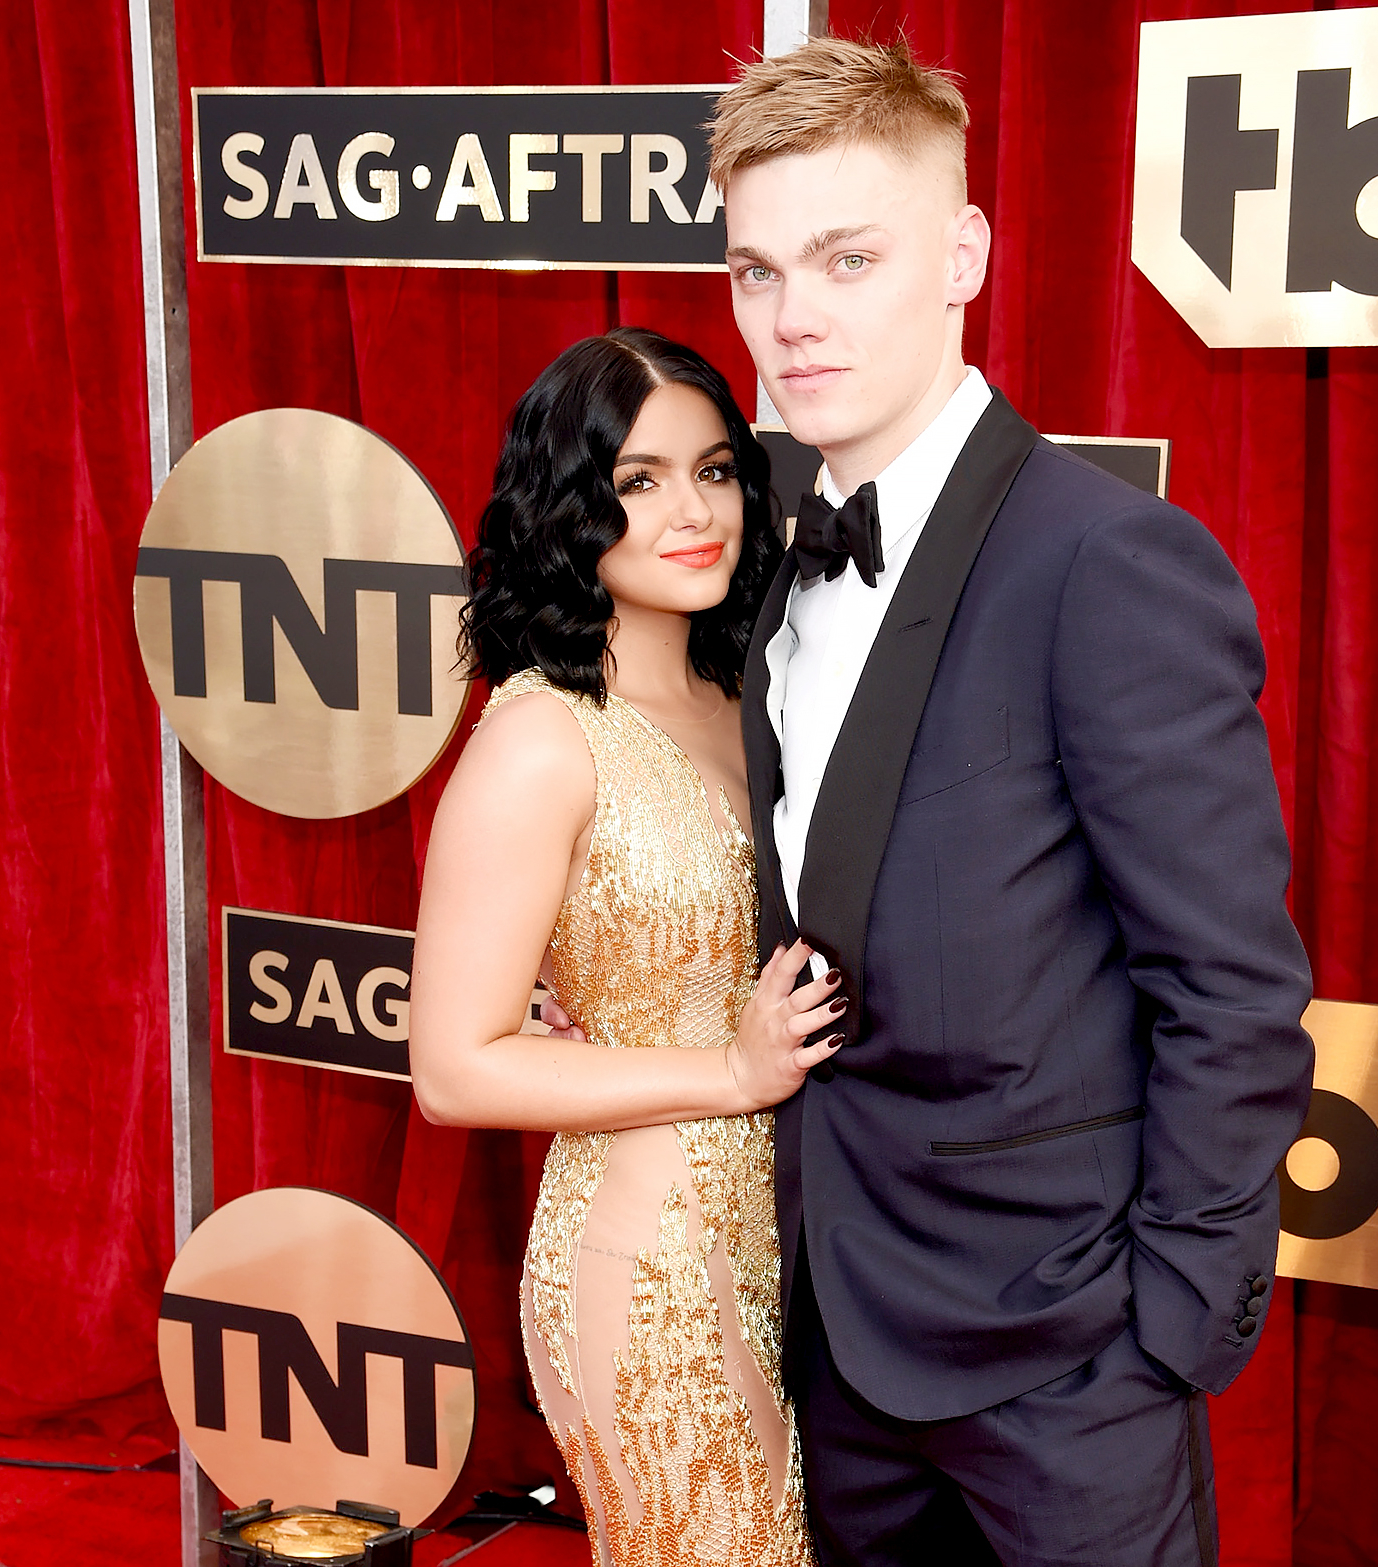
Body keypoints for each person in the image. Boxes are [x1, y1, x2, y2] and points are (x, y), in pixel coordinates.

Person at [701, 36, 1318, 1567]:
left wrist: (1166, 1330)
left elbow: (1230, 989)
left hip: (1069, 1360)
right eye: (758, 270)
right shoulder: (778, 557)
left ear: (964, 255)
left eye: (849, 257)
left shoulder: (1105, 561)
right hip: (841, 1337)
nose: (794, 317)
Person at [408, 327, 842, 1567]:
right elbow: (453, 1068)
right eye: (638, 481)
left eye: (714, 471)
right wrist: (732, 1072)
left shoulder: (756, 695)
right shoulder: (542, 738)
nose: (692, 512)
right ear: (568, 508)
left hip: (796, 1249)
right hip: (652, 1271)